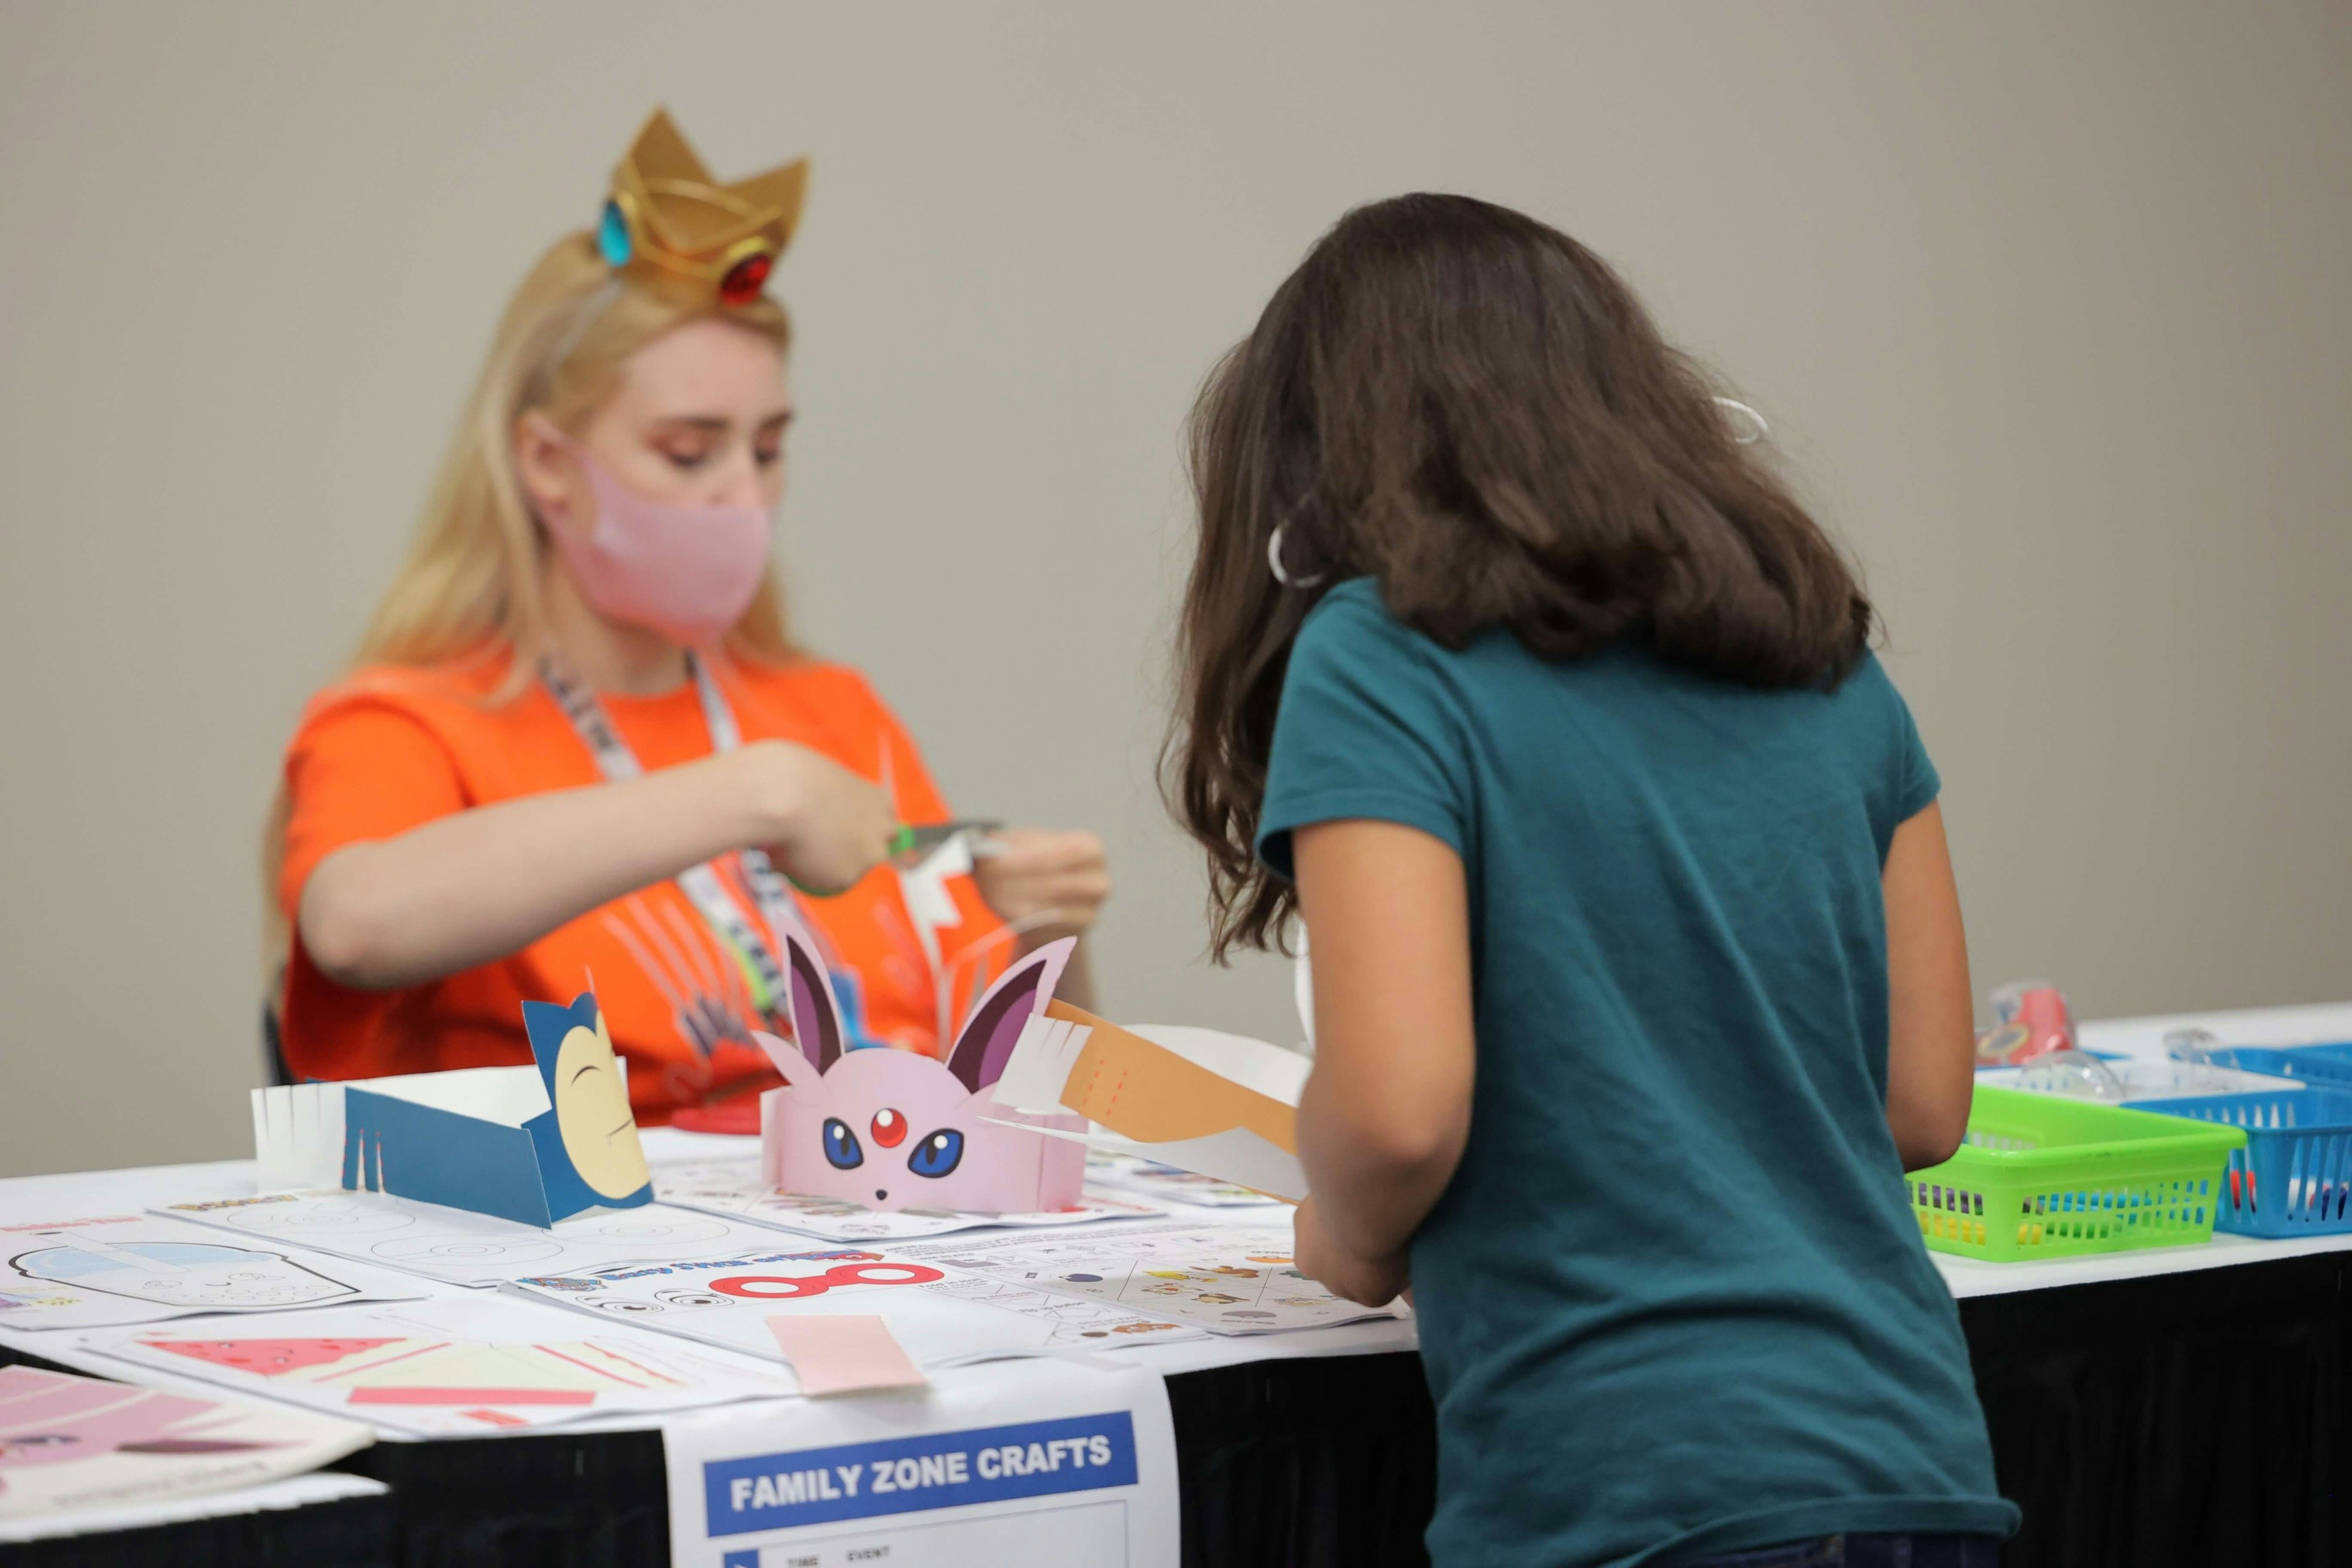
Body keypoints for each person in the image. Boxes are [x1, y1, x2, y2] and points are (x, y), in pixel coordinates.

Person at [1167, 195, 2017, 1567]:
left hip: (1628, 1486)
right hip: (1907, 1457)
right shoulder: (1825, 661)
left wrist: (1345, 1235)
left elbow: (1393, 1118)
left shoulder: (1381, 653)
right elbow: (1922, 1105)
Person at [267, 110, 1109, 1126]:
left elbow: (1019, 1107)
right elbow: (351, 925)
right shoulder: (406, 725)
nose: (741, 493)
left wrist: (1042, 941)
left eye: (766, 448)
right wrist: (754, 792)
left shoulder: (834, 713)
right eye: (686, 449)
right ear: (546, 465)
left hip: (880, 1247)